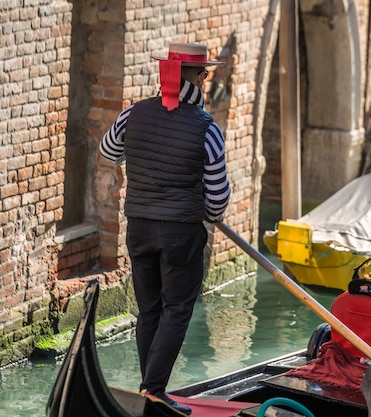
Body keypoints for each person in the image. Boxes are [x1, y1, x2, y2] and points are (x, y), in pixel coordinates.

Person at [99, 42, 230, 415]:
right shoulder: (207, 129)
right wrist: (204, 209)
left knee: (149, 310)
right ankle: (153, 390)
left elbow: (109, 151)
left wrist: (138, 153)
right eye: (205, 74)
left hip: (138, 228)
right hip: (180, 233)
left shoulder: (133, 114)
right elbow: (217, 198)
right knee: (176, 309)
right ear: (201, 77)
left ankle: (148, 390)